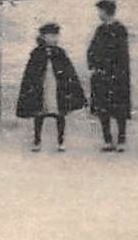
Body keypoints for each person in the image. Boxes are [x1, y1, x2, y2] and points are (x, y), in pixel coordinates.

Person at [16, 22, 87, 152]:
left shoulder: (60, 53)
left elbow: (70, 72)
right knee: (39, 115)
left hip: (57, 87)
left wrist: (71, 87)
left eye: (56, 36)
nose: (54, 39)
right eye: (50, 36)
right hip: (42, 87)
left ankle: (60, 142)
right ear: (43, 37)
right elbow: (30, 74)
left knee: (60, 114)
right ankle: (37, 141)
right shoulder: (36, 53)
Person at [86, 0, 132, 152]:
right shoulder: (100, 30)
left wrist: (119, 72)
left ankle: (121, 139)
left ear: (106, 11)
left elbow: (122, 54)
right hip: (101, 75)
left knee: (119, 109)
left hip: (117, 76)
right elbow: (91, 49)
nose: (98, 14)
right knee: (102, 108)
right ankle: (107, 140)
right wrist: (92, 65)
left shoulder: (120, 29)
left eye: (100, 11)